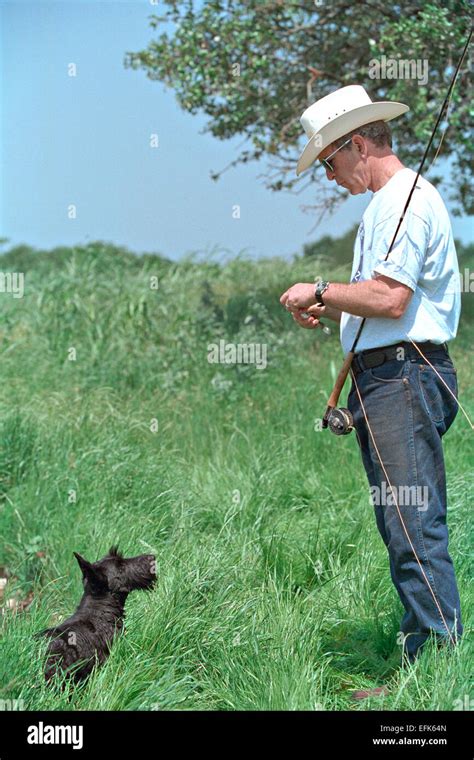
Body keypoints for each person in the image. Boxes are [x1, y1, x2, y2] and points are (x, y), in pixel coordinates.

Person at [279, 85, 463, 699]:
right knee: (401, 523)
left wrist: (321, 289)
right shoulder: (389, 204)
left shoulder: (401, 202)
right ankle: (426, 663)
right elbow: (381, 304)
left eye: (328, 163)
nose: (328, 177)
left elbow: (391, 298)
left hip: (403, 377)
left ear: (357, 145)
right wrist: (330, 306)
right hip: (390, 376)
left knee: (412, 525)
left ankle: (436, 673)